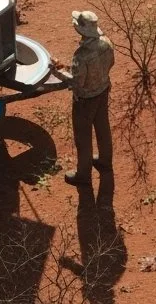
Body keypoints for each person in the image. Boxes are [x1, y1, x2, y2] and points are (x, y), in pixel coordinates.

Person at [63, 11, 114, 187]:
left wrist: (58, 72)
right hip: (103, 91)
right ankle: (105, 161)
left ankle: (83, 174)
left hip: (85, 100)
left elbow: (77, 82)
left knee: (83, 138)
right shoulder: (107, 43)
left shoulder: (81, 55)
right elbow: (111, 64)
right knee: (103, 128)